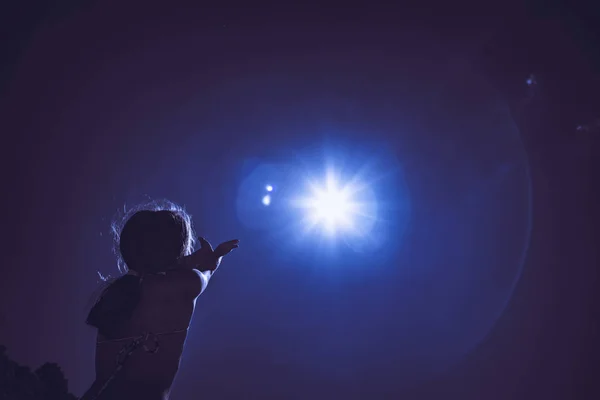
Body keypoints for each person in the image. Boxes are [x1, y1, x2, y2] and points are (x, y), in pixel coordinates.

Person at [81, 202, 239, 400]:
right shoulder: (185, 284)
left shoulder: (115, 291)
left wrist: (185, 261)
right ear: (177, 247)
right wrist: (211, 263)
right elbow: (204, 273)